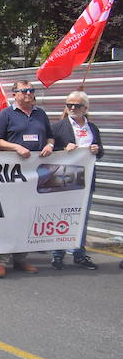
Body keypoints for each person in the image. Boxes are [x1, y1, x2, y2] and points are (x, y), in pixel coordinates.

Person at [0, 80, 55, 278]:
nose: (28, 94)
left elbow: (50, 137)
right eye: (24, 91)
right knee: (9, 216)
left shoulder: (40, 114)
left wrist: (50, 145)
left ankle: (21, 258)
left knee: (27, 216)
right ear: (14, 94)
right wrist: (16, 147)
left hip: (36, 174)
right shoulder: (6, 114)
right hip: (13, 174)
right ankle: (1, 261)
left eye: (31, 91)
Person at [50, 91, 102, 271]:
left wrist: (96, 149)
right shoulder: (58, 127)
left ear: (85, 108)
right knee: (60, 216)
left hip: (86, 180)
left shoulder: (92, 128)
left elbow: (101, 152)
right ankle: (57, 254)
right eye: (69, 104)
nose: (72, 108)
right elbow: (48, 152)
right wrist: (64, 149)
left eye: (77, 105)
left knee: (82, 218)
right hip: (64, 179)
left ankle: (79, 254)